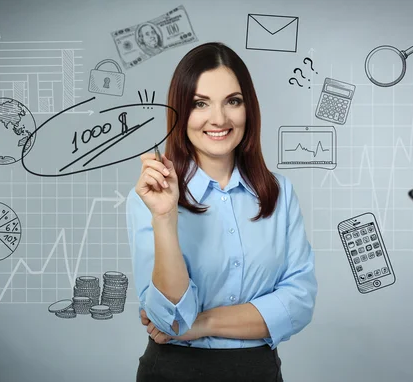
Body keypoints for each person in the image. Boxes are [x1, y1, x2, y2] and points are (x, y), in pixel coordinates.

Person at [126, 42, 317, 382]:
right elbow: (168, 319)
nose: (219, 119)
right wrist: (165, 219)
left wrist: (202, 323)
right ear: (181, 112)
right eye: (200, 103)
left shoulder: (279, 193)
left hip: (258, 373)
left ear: (248, 108)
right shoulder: (151, 196)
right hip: (172, 373)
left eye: (233, 101)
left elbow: (298, 303)